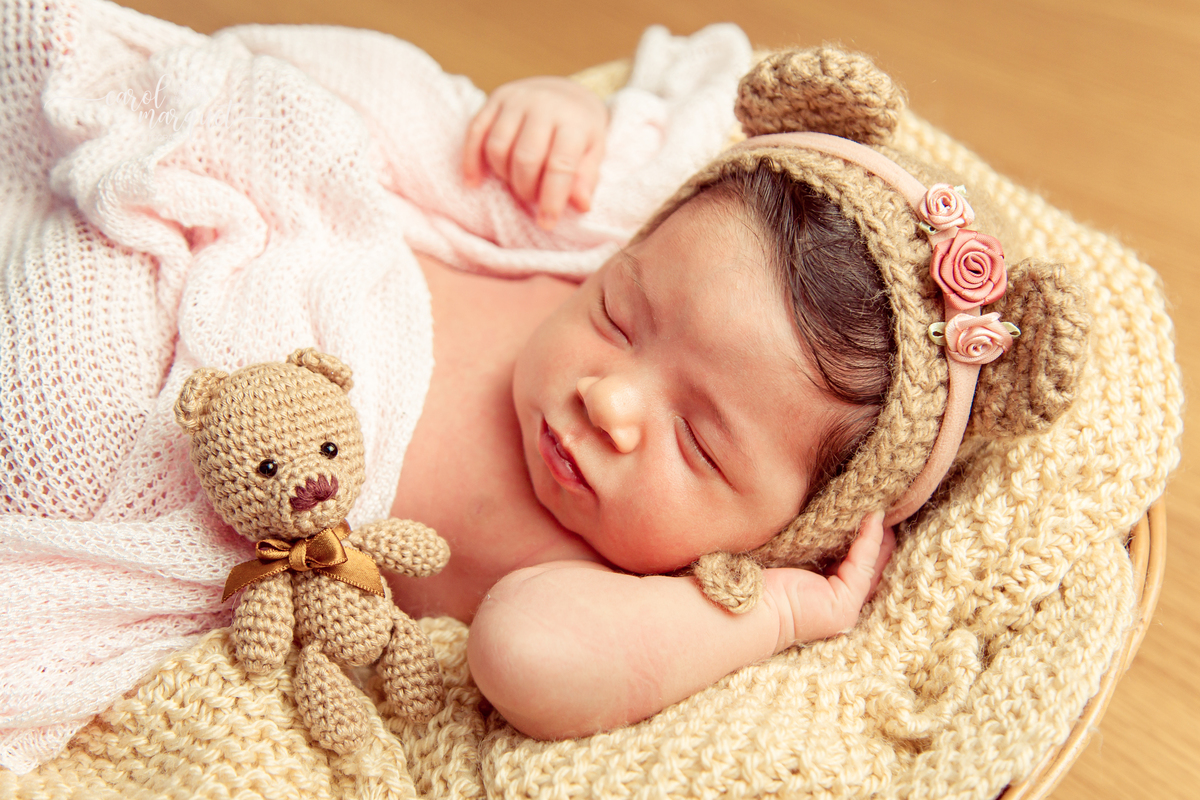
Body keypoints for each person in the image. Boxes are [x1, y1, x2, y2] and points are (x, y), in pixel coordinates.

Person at [389, 71, 900, 739]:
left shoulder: (588, 586)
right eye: (617, 319)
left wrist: (781, 612)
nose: (608, 401)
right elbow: (689, 83)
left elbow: (524, 654)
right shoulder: (580, 250)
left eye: (695, 441)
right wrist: (569, 115)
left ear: (786, 538)